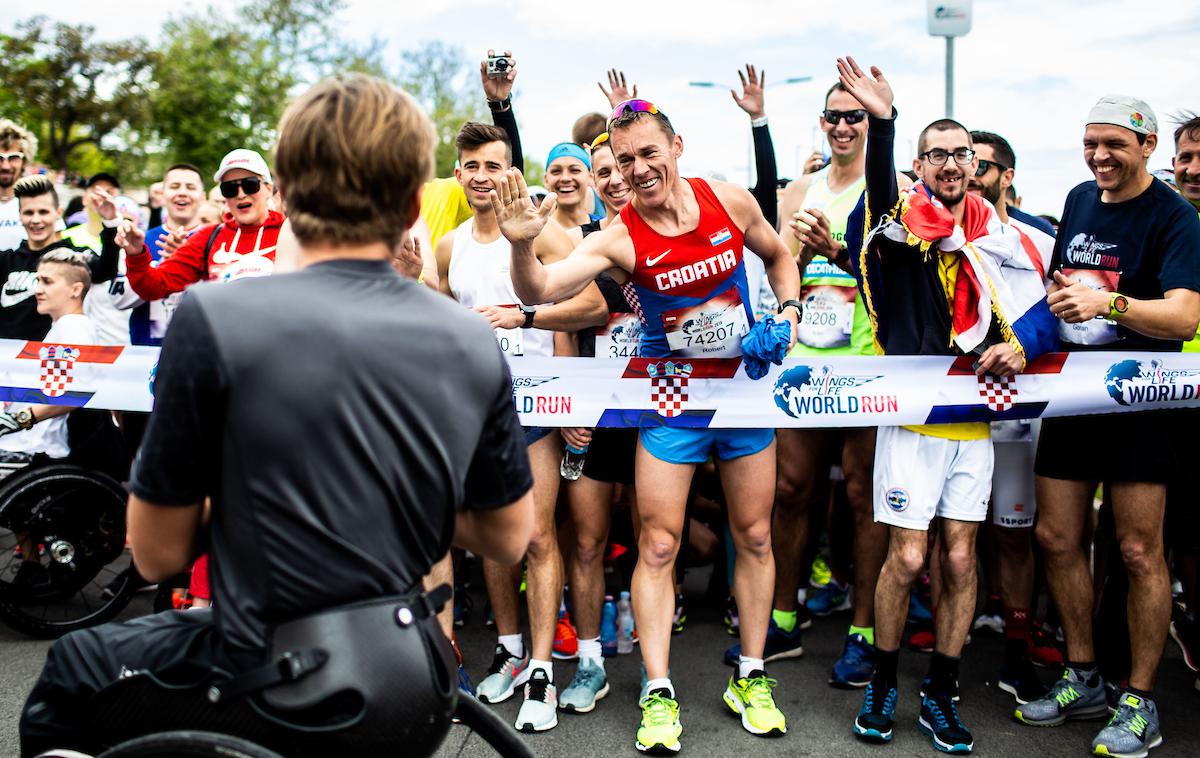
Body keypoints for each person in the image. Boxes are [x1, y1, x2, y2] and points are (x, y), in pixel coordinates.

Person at [19, 72, 537, 758]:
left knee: (69, 675)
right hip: (413, 674)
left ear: (284, 192)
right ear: (414, 199)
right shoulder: (468, 336)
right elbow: (507, 536)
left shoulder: (216, 316)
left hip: (268, 668)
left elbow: (156, 551)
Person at [493, 97, 802, 752]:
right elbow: (538, 292)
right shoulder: (620, 235)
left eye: (647, 154)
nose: (636, 170)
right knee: (658, 544)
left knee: (752, 533)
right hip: (673, 399)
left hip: (745, 393)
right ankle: (658, 690)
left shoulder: (729, 200)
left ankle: (751, 674)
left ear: (676, 147)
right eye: (625, 160)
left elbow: (779, 257)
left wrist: (790, 315)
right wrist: (522, 245)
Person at [837, 56, 1056, 754]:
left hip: (976, 426)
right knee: (906, 560)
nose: (952, 165)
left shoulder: (998, 239)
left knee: (962, 562)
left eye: (963, 154)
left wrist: (1019, 341)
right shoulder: (901, 232)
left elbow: (1049, 308)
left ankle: (941, 687)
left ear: (978, 166)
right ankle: (883, 681)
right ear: (921, 165)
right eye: (937, 155)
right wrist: (883, 122)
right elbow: (877, 191)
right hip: (911, 423)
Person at [1015, 96, 1200, 758]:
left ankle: (1141, 699)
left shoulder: (1176, 217)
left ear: (1147, 145)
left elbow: (1182, 317)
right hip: (1074, 393)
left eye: (1114, 144)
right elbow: (1062, 293)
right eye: (1090, 143)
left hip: (1142, 401)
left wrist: (1110, 301)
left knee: (1138, 551)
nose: (1099, 156)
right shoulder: (1079, 198)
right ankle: (1084, 676)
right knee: (1057, 537)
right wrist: (1022, 339)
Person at [435, 121, 606, 734]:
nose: (482, 177)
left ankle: (541, 668)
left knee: (537, 539)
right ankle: (508, 650)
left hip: (540, 410)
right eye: (471, 166)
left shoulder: (545, 232)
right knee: (493, 539)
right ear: (459, 174)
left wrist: (522, 313)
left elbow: (594, 306)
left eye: (494, 166)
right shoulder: (449, 246)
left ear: (512, 173)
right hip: (476, 413)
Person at [739, 79, 896, 690]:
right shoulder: (799, 191)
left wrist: (837, 246)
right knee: (791, 489)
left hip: (863, 362)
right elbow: (779, 271)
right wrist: (802, 257)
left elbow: (891, 269)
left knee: (862, 494)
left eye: (854, 117)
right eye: (832, 117)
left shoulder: (892, 189)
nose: (842, 127)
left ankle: (862, 630)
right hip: (805, 361)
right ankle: (783, 618)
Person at [964, 129, 1062, 705]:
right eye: (963, 163)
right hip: (948, 403)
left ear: (1008, 177)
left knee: (1013, 534)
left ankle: (1017, 648)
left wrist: (1022, 343)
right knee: (951, 531)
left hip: (1019, 408)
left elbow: (1061, 311)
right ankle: (956, 628)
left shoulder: (1040, 240)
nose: (971, 174)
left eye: (984, 166)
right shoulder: (940, 238)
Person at [558, 131, 640, 715]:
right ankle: (590, 662)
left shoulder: (665, 235)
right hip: (596, 411)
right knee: (586, 543)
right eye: (602, 170)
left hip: (658, 408)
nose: (613, 179)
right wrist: (569, 405)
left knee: (657, 542)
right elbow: (564, 325)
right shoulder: (585, 243)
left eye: (621, 167)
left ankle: (653, 665)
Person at [118, 148, 284, 300]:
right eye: (229, 188)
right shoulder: (208, 238)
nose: (240, 194)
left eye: (250, 185)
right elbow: (153, 287)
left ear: (268, 188)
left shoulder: (292, 232)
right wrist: (136, 254)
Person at [0, 176, 116, 340]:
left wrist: (111, 223)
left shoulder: (74, 257)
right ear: (19, 216)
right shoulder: (6, 260)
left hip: (54, 359)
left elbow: (107, 269)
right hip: (7, 359)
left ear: (58, 213)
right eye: (28, 213)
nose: (35, 220)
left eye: (43, 212)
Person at [107, 163, 207, 346]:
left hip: (199, 350)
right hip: (148, 353)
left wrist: (187, 264)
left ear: (202, 196)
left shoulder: (214, 240)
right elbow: (118, 300)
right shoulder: (139, 239)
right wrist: (162, 263)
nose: (182, 192)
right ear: (163, 194)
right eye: (175, 186)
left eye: (190, 187)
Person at [0, 119, 36, 251]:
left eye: (13, 157)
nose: (5, 166)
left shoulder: (39, 202)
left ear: (24, 161)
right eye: (0, 158)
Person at [545, 142, 596, 229]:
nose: (565, 178)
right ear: (546, 180)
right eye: (556, 171)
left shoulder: (606, 228)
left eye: (575, 170)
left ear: (590, 177)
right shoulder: (537, 234)